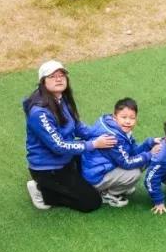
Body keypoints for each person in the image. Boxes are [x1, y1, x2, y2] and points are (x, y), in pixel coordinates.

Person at [23, 60, 117, 212]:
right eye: (52, 76)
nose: (59, 79)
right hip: (49, 168)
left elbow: (77, 126)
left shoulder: (61, 98)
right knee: (91, 202)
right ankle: (42, 191)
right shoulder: (39, 113)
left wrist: (100, 134)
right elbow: (58, 146)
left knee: (93, 163)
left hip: (66, 158)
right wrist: (93, 144)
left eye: (62, 75)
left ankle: (64, 183)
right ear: (43, 82)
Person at [81, 97, 158, 208]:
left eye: (132, 118)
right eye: (124, 117)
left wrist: (149, 143)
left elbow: (133, 152)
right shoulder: (113, 137)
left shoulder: (117, 128)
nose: (128, 121)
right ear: (115, 117)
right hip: (95, 178)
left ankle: (119, 185)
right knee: (134, 173)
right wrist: (150, 154)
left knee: (142, 160)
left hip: (99, 170)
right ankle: (106, 194)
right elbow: (127, 162)